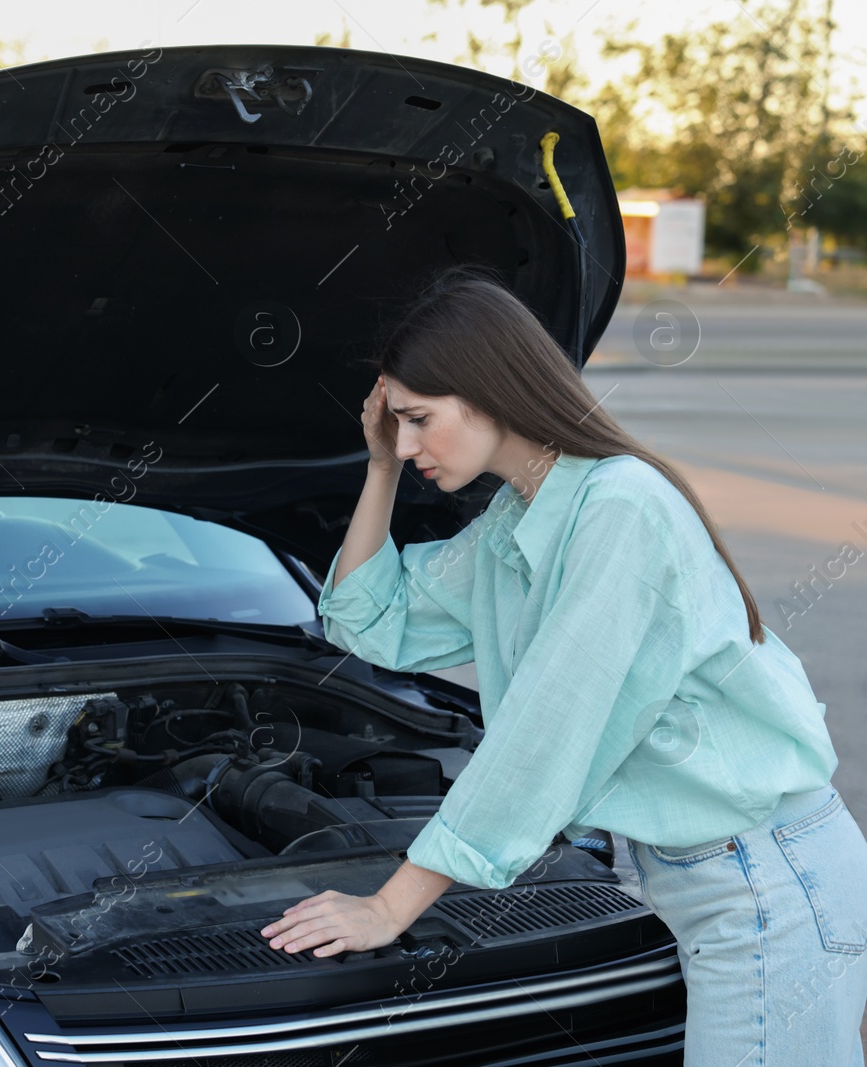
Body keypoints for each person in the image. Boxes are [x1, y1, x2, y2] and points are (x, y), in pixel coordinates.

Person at [258, 266, 867, 1064]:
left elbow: (545, 734)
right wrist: (378, 468)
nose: (407, 443)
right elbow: (366, 618)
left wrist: (390, 906)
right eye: (396, 423)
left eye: (418, 420)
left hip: (763, 879)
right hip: (701, 877)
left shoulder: (620, 508)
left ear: (489, 391)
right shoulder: (523, 517)